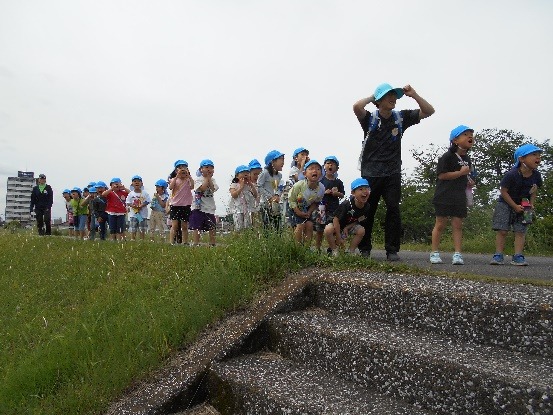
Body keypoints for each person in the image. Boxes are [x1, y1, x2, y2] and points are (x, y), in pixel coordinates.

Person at [353, 83, 435, 261]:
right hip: (371, 173)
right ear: (379, 100)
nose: (393, 99)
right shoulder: (369, 118)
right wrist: (372, 96)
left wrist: (414, 95)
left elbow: (429, 111)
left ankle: (392, 250)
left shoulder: (401, 117)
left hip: (392, 173)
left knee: (393, 209)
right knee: (368, 210)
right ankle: (364, 248)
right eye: (388, 95)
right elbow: (356, 107)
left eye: (394, 95)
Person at [490, 144, 543, 266]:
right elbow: (503, 191)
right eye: (534, 155)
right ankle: (498, 255)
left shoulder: (537, 175)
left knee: (521, 231)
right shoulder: (511, 174)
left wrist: (531, 204)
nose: (538, 158)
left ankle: (518, 256)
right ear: (521, 159)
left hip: (525, 204)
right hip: (505, 203)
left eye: (539, 155)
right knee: (502, 230)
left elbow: (534, 190)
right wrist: (514, 206)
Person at [430, 125, 475, 265]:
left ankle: (457, 254)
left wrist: (469, 181)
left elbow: (466, 175)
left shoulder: (467, 159)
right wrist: (460, 173)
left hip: (459, 196)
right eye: (466, 134)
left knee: (457, 224)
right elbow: (442, 175)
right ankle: (434, 252)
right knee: (440, 224)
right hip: (443, 195)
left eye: (471, 135)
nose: (470, 137)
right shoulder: (446, 157)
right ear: (455, 140)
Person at [324, 178, 371, 256]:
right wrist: (339, 237)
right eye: (361, 189)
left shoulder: (367, 207)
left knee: (361, 230)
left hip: (348, 226)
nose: (365, 191)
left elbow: (359, 220)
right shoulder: (346, 204)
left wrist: (347, 227)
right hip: (336, 225)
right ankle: (334, 250)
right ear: (353, 193)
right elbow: (336, 219)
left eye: (367, 189)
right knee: (328, 230)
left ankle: (350, 251)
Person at [288, 160, 325, 245]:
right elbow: (291, 200)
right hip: (294, 207)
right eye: (311, 169)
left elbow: (316, 202)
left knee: (309, 225)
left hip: (307, 208)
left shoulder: (321, 188)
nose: (315, 171)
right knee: (300, 225)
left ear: (321, 174)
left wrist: (309, 212)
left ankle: (306, 249)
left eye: (318, 169)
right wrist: (298, 212)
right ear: (304, 174)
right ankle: (297, 247)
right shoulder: (299, 185)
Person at [314, 156, 345, 252]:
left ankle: (332, 248)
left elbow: (342, 195)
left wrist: (336, 193)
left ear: (337, 168)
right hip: (321, 209)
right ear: (324, 167)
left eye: (333, 164)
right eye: (328, 163)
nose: (330, 165)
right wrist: (324, 192)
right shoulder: (320, 181)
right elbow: (315, 194)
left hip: (334, 209)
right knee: (319, 230)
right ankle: (317, 248)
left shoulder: (338, 182)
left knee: (334, 229)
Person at [190, 159, 219, 246]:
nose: (209, 169)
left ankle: (212, 243)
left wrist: (209, 178)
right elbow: (202, 188)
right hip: (199, 206)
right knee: (197, 226)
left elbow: (213, 189)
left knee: (212, 226)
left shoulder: (213, 180)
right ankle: (196, 243)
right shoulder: (198, 180)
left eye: (211, 168)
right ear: (201, 169)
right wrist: (206, 178)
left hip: (209, 207)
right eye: (206, 167)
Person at [258, 150, 285, 231]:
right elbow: (259, 186)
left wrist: (277, 195)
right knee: (267, 227)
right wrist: (269, 197)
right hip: (266, 204)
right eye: (281, 159)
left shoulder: (279, 175)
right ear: (273, 162)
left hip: (275, 203)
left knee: (278, 226)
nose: (283, 162)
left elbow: (279, 187)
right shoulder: (264, 173)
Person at [168, 160, 194, 245]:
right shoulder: (173, 179)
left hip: (185, 205)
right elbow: (171, 187)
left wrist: (189, 176)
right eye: (180, 168)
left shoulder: (188, 180)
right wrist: (176, 177)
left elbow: (192, 186)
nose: (182, 169)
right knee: (174, 225)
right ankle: (172, 242)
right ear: (176, 170)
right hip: (175, 205)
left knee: (185, 225)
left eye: (184, 167)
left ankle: (185, 242)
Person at [229, 165, 257, 231]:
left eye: (247, 173)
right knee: (238, 227)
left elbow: (255, 195)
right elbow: (233, 195)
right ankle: (237, 239)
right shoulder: (234, 185)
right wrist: (241, 187)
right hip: (237, 209)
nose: (245, 174)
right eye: (243, 173)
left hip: (247, 209)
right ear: (237, 175)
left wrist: (251, 185)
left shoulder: (249, 185)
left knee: (247, 227)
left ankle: (246, 239)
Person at [126, 175, 151, 241]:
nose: (136, 182)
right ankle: (132, 239)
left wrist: (142, 205)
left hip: (143, 214)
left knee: (142, 227)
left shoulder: (145, 193)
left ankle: (142, 239)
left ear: (142, 183)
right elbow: (128, 202)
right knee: (133, 227)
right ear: (132, 184)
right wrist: (132, 206)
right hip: (134, 214)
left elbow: (148, 201)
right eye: (135, 181)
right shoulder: (131, 194)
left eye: (138, 181)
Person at [248, 159, 263, 227]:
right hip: (249, 210)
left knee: (258, 227)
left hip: (259, 209)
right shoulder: (247, 185)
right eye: (255, 174)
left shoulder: (261, 185)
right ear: (249, 174)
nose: (257, 176)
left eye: (259, 174)